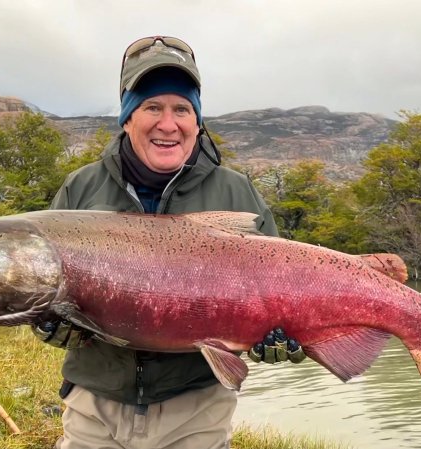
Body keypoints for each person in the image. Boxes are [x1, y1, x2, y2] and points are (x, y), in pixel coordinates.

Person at [34, 36, 303, 449]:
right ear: (126, 117)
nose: (168, 123)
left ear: (197, 121)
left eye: (182, 108)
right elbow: (45, 288)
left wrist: (285, 337)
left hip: (197, 410)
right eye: (151, 107)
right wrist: (48, 323)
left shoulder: (237, 192)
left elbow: (284, 291)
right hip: (94, 405)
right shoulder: (81, 188)